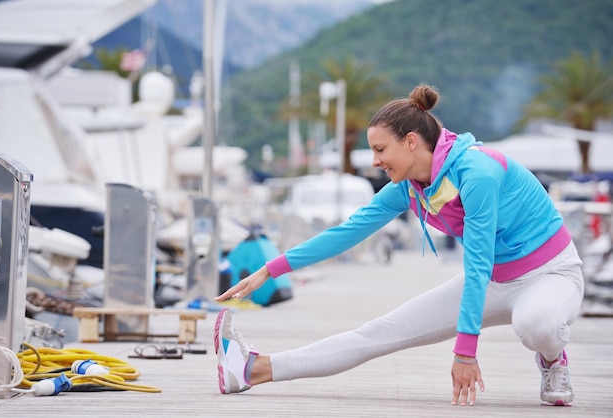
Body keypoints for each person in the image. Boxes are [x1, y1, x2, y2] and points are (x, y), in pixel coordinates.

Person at [214, 83, 584, 406]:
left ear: (410, 141)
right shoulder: (409, 189)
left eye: (380, 150)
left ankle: (553, 360)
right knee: (378, 333)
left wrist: (465, 352)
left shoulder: (478, 173)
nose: (375, 161)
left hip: (549, 274)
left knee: (537, 324)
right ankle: (251, 370)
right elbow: (346, 232)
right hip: (493, 282)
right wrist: (269, 269)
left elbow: (478, 263)